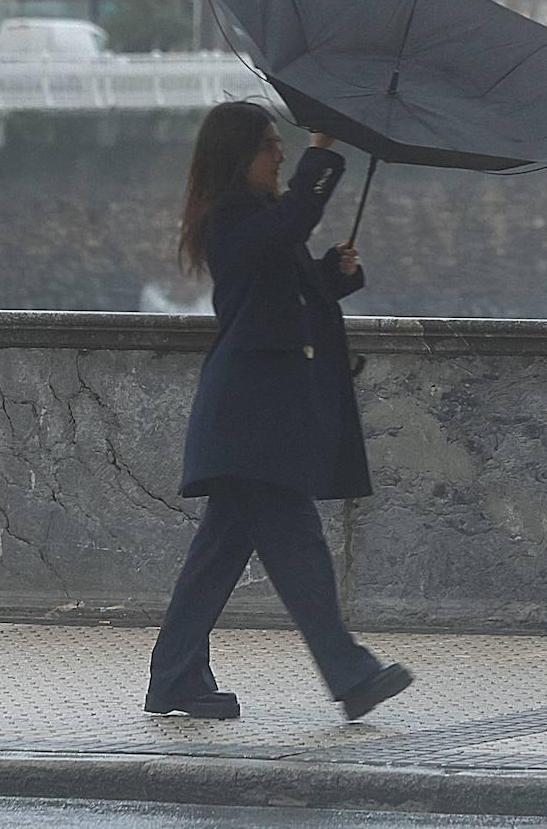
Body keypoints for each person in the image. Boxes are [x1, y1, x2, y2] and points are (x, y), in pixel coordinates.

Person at [145, 101, 412, 721]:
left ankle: (175, 677)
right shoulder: (230, 216)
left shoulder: (259, 221)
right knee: (298, 548)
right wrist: (323, 152)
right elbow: (287, 228)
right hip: (252, 417)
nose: (280, 154)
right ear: (239, 156)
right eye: (271, 146)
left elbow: (280, 292)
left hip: (257, 418)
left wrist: (331, 275)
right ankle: (350, 674)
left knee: (216, 559)